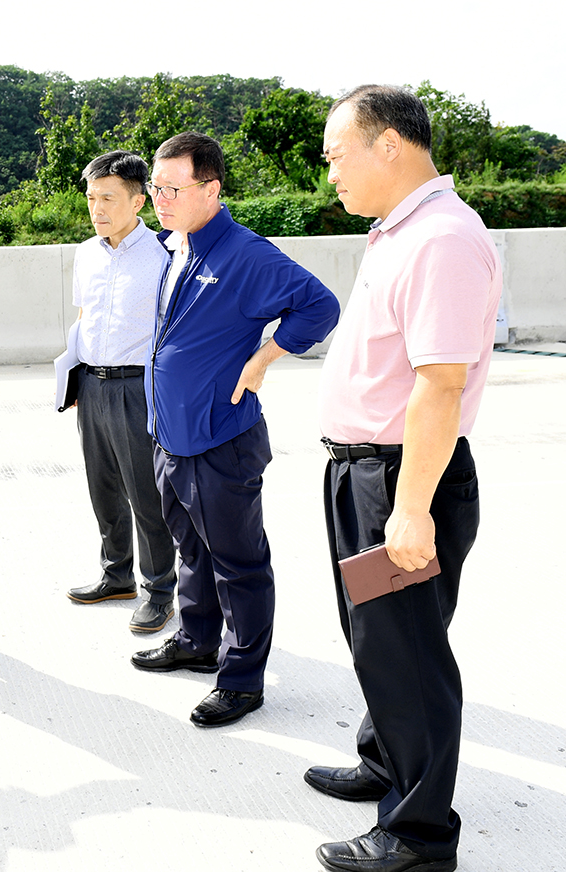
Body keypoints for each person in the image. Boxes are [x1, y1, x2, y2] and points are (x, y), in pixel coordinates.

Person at [307, 85, 502, 872]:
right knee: (377, 644)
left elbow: (439, 384)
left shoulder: (440, 241)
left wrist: (410, 509)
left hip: (400, 481)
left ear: (387, 144)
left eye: (335, 155)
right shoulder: (401, 232)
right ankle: (383, 763)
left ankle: (417, 835)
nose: (329, 175)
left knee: (409, 655)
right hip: (367, 474)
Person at [130, 132, 339, 727]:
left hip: (221, 440)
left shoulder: (247, 255)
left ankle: (243, 679)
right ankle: (197, 641)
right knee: (190, 548)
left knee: (238, 562)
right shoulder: (179, 246)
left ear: (212, 188)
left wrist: (265, 355)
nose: (159, 199)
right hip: (171, 435)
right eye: (156, 187)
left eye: (172, 188)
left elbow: (320, 306)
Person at [64, 151, 178, 633]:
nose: (97, 208)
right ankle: (116, 575)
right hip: (92, 385)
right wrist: (72, 375)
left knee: (145, 493)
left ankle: (160, 589)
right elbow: (86, 318)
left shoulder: (165, 255)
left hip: (139, 387)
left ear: (139, 200)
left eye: (108, 197)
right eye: (91, 198)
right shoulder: (86, 253)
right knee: (103, 488)